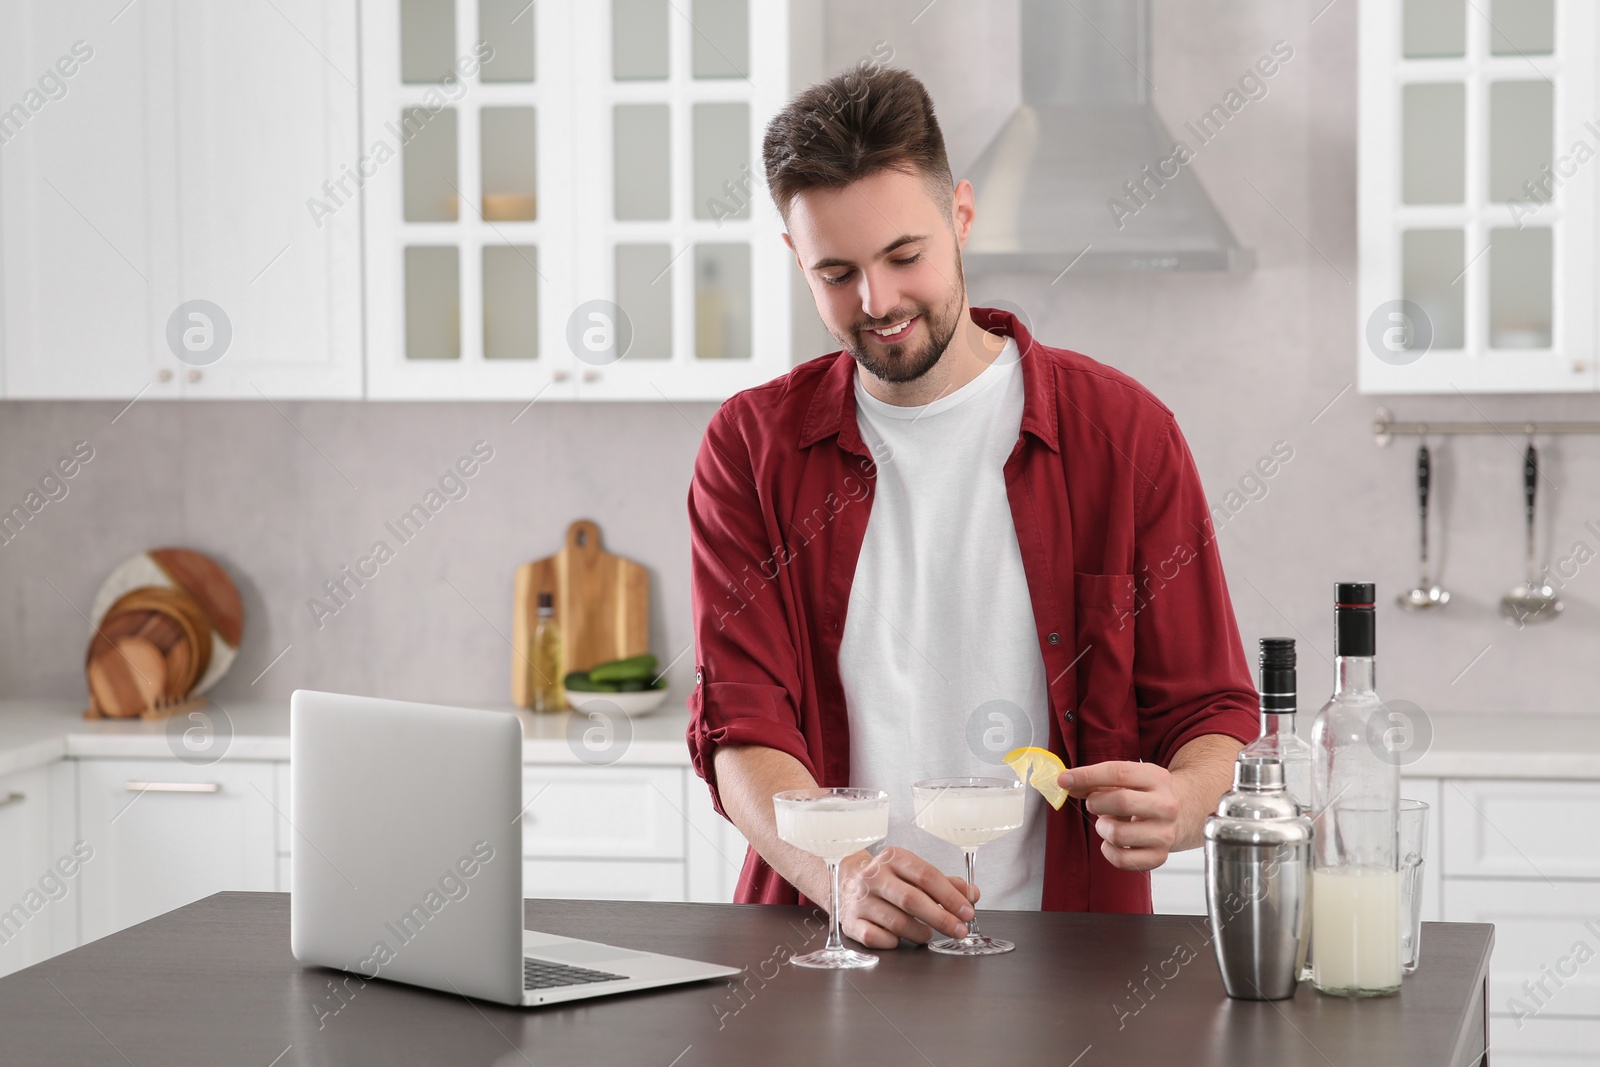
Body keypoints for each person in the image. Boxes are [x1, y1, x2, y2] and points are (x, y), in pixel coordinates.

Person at [685, 63, 1258, 950]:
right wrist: (842, 877)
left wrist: (1182, 804)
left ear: (960, 215)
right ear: (795, 257)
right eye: (836, 273)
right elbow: (740, 732)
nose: (878, 303)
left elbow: (1211, 714)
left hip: (1065, 960)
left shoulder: (1125, 435)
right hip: (825, 953)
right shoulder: (750, 449)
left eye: (904, 256)